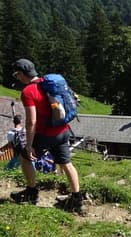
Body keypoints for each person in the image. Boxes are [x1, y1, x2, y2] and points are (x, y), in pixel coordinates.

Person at [9, 59, 86, 213]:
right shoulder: (48, 83)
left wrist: (29, 145)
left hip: (46, 134)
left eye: (16, 75)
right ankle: (76, 200)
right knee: (66, 163)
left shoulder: (28, 92)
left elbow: (31, 121)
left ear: (22, 74)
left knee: (25, 158)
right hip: (63, 130)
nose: (17, 78)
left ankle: (31, 193)